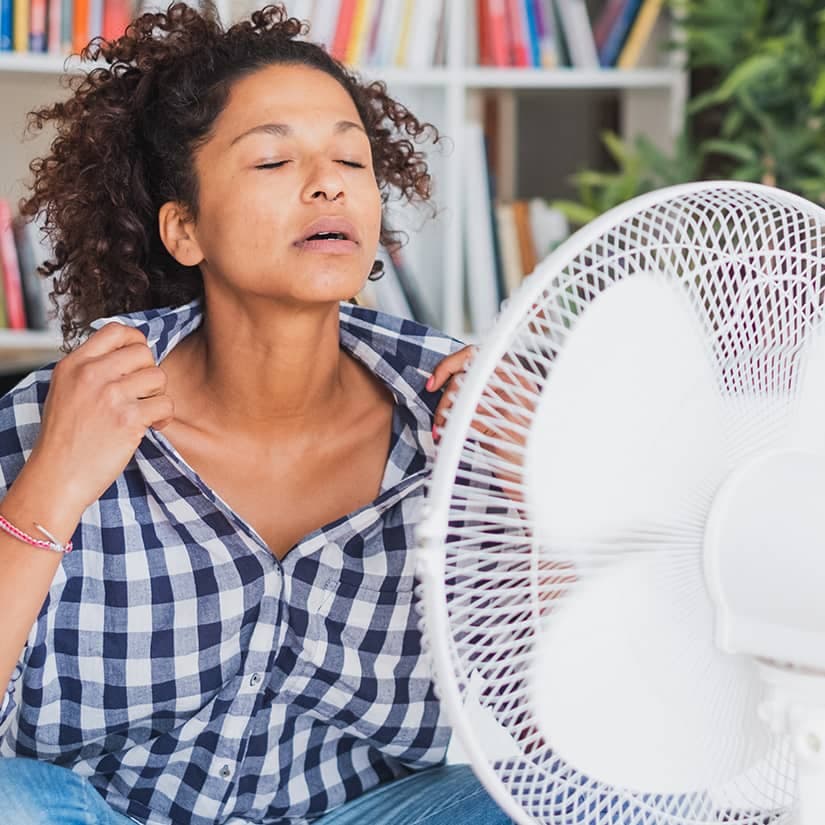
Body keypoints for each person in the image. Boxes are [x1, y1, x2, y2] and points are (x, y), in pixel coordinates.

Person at [0, 3, 504, 823]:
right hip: (97, 813)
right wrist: (52, 486)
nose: (327, 180)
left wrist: (537, 484)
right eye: (273, 161)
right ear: (185, 229)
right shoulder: (70, 412)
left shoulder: (454, 418)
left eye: (351, 156)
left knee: (543, 799)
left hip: (360, 812)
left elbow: (565, 708)